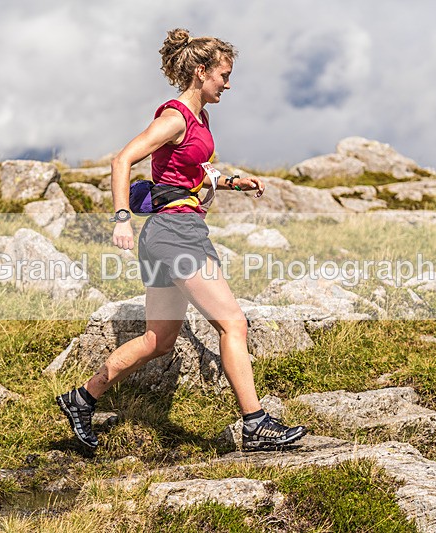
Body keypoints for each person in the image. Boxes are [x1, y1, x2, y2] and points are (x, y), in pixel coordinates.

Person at [56, 28, 306, 452]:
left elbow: (187, 175)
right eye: (224, 75)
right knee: (233, 323)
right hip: (176, 234)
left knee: (159, 339)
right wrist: (121, 219)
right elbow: (123, 159)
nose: (228, 83)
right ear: (201, 71)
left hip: (167, 234)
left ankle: (81, 398)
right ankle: (256, 422)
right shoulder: (175, 117)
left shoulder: (199, 119)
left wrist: (230, 182)